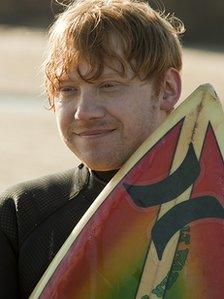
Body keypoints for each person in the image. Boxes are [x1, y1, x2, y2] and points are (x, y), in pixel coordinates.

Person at [0, 0, 184, 297]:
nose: (84, 112)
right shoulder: (20, 214)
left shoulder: (213, 200)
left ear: (166, 89)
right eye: (68, 89)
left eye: (108, 85)